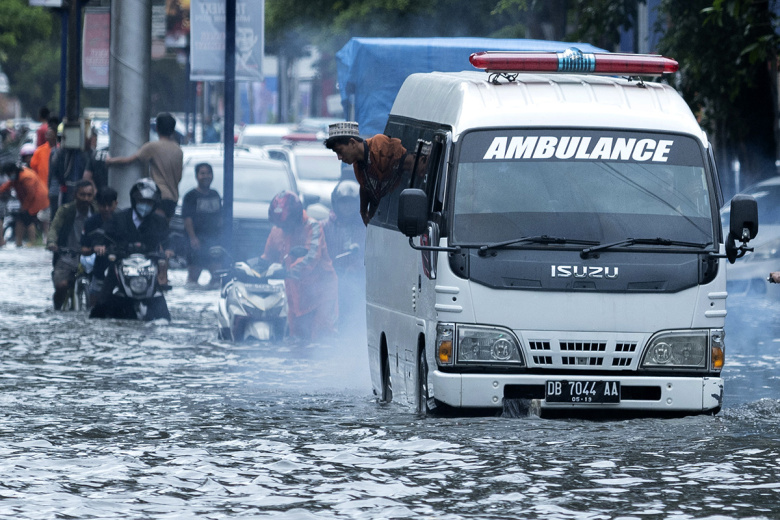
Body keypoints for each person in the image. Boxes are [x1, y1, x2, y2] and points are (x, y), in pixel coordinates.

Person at [90, 179, 173, 320]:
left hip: (149, 269)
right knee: (101, 305)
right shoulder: (119, 218)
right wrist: (100, 245)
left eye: (149, 202)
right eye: (142, 201)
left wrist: (170, 250)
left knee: (162, 311)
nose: (145, 206)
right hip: (120, 266)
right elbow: (103, 233)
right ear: (134, 201)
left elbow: (169, 240)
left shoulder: (159, 221)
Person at [260, 191, 338, 342]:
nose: (282, 228)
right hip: (295, 296)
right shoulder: (277, 230)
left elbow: (310, 258)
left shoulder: (313, 227)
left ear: (295, 218)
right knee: (296, 342)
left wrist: (285, 271)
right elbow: (268, 258)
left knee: (323, 340)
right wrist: (255, 268)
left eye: (285, 224)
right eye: (279, 224)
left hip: (322, 295)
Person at [324, 121, 408, 225]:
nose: (339, 157)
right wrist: (365, 214)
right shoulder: (358, 167)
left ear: (352, 143)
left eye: (340, 151)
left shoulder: (380, 145)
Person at [106, 112, 183, 222]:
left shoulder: (153, 147)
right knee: (165, 228)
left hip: (159, 196)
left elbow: (129, 160)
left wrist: (110, 161)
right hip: (173, 197)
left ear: (157, 128)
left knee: (155, 229)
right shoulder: (178, 150)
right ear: (173, 129)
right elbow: (179, 176)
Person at [323, 180, 366, 335]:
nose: (347, 207)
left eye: (351, 203)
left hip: (356, 283)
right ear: (336, 203)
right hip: (328, 281)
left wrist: (355, 268)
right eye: (343, 203)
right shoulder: (325, 227)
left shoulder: (365, 227)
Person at [46, 180, 96, 309]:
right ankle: (57, 309)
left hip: (92, 257)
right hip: (67, 256)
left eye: (89, 195)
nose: (86, 198)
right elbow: (54, 228)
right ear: (75, 195)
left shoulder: (97, 212)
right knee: (61, 286)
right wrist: (52, 242)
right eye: (82, 195)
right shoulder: (66, 211)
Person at [181, 162, 222, 289]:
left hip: (213, 240)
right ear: (197, 176)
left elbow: (220, 217)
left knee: (217, 276)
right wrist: (193, 238)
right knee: (193, 278)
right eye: (202, 173)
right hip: (197, 240)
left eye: (209, 173)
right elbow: (187, 219)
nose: (206, 176)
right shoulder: (190, 196)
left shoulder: (215, 194)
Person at [80, 186, 118, 307]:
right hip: (100, 268)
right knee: (94, 304)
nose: (106, 209)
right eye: (103, 205)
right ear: (98, 204)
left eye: (109, 205)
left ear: (115, 204)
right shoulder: (91, 222)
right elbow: (83, 249)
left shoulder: (123, 220)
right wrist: (93, 249)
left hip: (120, 266)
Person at [0, 161, 49, 247]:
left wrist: (25, 207)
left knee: (27, 219)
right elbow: (8, 185)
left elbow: (31, 194)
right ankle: (20, 242)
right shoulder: (17, 176)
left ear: (12, 171)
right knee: (22, 219)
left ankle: (32, 242)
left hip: (37, 201)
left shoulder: (26, 177)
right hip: (31, 202)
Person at [30, 124, 57, 237]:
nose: (47, 136)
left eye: (50, 134)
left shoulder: (59, 150)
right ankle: (46, 236)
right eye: (46, 134)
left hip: (55, 186)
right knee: (45, 214)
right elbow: (33, 169)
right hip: (43, 187)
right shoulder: (39, 151)